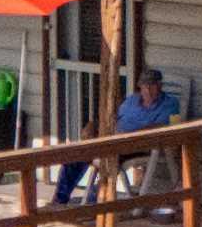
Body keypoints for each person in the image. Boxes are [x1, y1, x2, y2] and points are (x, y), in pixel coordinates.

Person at [54, 67, 180, 205]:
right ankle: (59, 201)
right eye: (145, 85)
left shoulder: (169, 103)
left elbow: (162, 126)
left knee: (106, 160)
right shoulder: (132, 100)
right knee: (75, 154)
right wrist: (94, 125)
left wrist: (129, 136)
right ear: (140, 86)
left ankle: (93, 202)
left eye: (152, 85)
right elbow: (113, 118)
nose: (148, 90)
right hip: (112, 140)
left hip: (138, 145)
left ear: (160, 86)